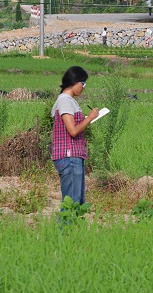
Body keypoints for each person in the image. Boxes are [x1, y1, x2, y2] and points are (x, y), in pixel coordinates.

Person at [51, 66, 99, 205]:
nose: (84, 87)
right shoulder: (65, 100)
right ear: (74, 81)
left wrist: (87, 119)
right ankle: (65, 227)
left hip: (73, 156)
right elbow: (73, 131)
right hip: (69, 156)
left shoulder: (69, 100)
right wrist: (89, 118)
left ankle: (72, 227)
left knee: (77, 203)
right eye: (83, 83)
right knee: (71, 203)